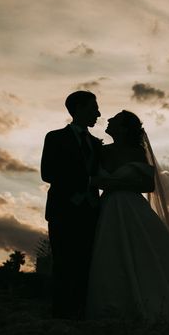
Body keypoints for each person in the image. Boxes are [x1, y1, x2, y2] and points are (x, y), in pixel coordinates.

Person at [85, 110, 169, 320]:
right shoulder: (102, 151)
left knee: (144, 252)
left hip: (132, 205)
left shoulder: (137, 153)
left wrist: (111, 183)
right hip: (109, 207)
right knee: (110, 252)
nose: (109, 120)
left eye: (115, 119)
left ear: (123, 128)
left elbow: (148, 185)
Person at [41, 90, 102, 319]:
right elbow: (47, 173)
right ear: (77, 109)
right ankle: (60, 312)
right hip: (63, 209)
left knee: (87, 262)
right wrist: (86, 180)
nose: (98, 113)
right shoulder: (54, 137)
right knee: (63, 261)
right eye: (93, 108)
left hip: (91, 211)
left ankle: (81, 310)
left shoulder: (97, 144)